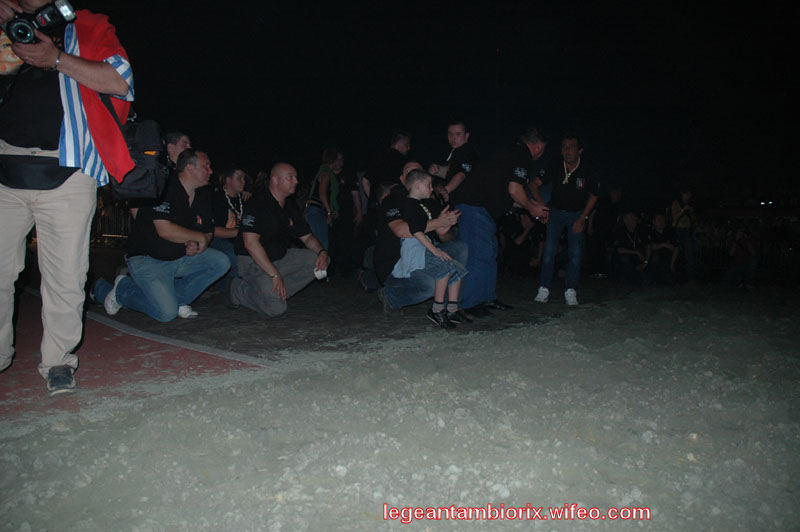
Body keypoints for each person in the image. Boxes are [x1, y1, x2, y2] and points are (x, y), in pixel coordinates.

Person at [0, 0, 134, 394]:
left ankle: (58, 361)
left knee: (66, 278)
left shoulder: (88, 25)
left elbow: (120, 81)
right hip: (4, 166)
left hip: (70, 169)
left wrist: (55, 59)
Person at [92, 149, 229, 321]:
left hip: (179, 256)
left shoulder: (202, 194)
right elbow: (164, 229)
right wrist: (198, 238)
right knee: (166, 314)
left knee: (221, 262)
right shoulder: (164, 188)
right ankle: (121, 288)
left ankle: (176, 299)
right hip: (148, 259)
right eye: (206, 166)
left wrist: (200, 243)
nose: (211, 171)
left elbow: (208, 231)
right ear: (190, 167)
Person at [455, 126, 549, 317]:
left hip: (484, 210)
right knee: (478, 254)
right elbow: (515, 189)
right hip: (474, 206)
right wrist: (532, 208)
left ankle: (487, 297)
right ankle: (471, 303)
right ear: (539, 146)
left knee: (490, 253)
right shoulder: (522, 154)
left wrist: (530, 204)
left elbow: (510, 194)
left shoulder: (512, 153)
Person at [228, 163, 329, 317]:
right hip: (253, 263)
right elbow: (250, 243)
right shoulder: (257, 202)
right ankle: (237, 289)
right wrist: (274, 275)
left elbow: (307, 237)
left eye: (296, 177)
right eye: (290, 177)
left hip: (279, 257)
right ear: (275, 180)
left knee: (319, 260)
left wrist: (321, 252)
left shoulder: (290, 204)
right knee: (277, 309)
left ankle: (276, 292)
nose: (296, 181)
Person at [388, 169, 468, 328]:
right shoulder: (409, 205)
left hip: (423, 246)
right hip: (416, 250)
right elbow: (416, 231)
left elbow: (424, 228)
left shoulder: (420, 205)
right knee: (444, 268)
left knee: (457, 268)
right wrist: (435, 250)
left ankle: (452, 309)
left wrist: (442, 228)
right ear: (417, 185)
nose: (432, 189)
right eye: (429, 185)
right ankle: (437, 309)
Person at [531, 133, 599, 306]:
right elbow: (534, 184)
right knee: (549, 250)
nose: (567, 151)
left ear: (580, 150)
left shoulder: (587, 168)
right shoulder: (555, 164)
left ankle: (571, 290)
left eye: (572, 147)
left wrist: (582, 218)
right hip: (555, 212)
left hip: (577, 213)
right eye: (564, 147)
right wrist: (542, 207)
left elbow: (594, 195)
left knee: (575, 253)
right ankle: (544, 289)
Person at [210, 167, 248, 287]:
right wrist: (242, 233)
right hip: (219, 240)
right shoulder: (215, 198)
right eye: (239, 178)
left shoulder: (245, 199)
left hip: (240, 239)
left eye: (244, 178)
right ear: (228, 180)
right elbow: (212, 230)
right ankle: (228, 285)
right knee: (236, 257)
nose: (243, 181)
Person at [428, 120, 479, 208]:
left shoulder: (466, 150)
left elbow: (461, 174)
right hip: (461, 204)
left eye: (458, 134)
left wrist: (446, 190)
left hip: (467, 204)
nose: (453, 138)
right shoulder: (456, 152)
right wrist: (438, 170)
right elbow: (454, 171)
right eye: (450, 134)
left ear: (466, 136)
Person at [304, 147, 343, 256]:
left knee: (320, 246)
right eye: (338, 159)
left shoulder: (328, 173)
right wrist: (329, 212)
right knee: (321, 247)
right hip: (316, 211)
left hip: (317, 210)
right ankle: (317, 267)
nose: (340, 162)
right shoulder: (325, 173)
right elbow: (322, 193)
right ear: (334, 160)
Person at [611, 209, 648, 285]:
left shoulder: (640, 229)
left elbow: (648, 245)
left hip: (640, 260)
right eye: (631, 217)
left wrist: (645, 262)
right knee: (624, 258)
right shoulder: (620, 231)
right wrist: (636, 252)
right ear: (625, 220)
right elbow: (618, 250)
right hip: (628, 260)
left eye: (634, 217)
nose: (634, 219)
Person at [670, 186, 696, 282]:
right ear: (683, 194)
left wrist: (691, 212)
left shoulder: (690, 205)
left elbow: (693, 219)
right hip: (678, 230)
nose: (689, 196)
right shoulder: (676, 203)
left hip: (687, 231)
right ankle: (676, 277)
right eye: (687, 194)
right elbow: (674, 217)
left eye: (690, 195)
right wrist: (683, 210)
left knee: (689, 254)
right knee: (677, 254)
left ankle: (691, 279)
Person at [645, 212, 679, 284]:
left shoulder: (670, 231)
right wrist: (664, 245)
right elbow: (650, 247)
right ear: (654, 222)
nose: (661, 222)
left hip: (669, 259)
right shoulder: (651, 232)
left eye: (662, 219)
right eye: (658, 220)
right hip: (656, 260)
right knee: (655, 256)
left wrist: (672, 264)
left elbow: (676, 247)